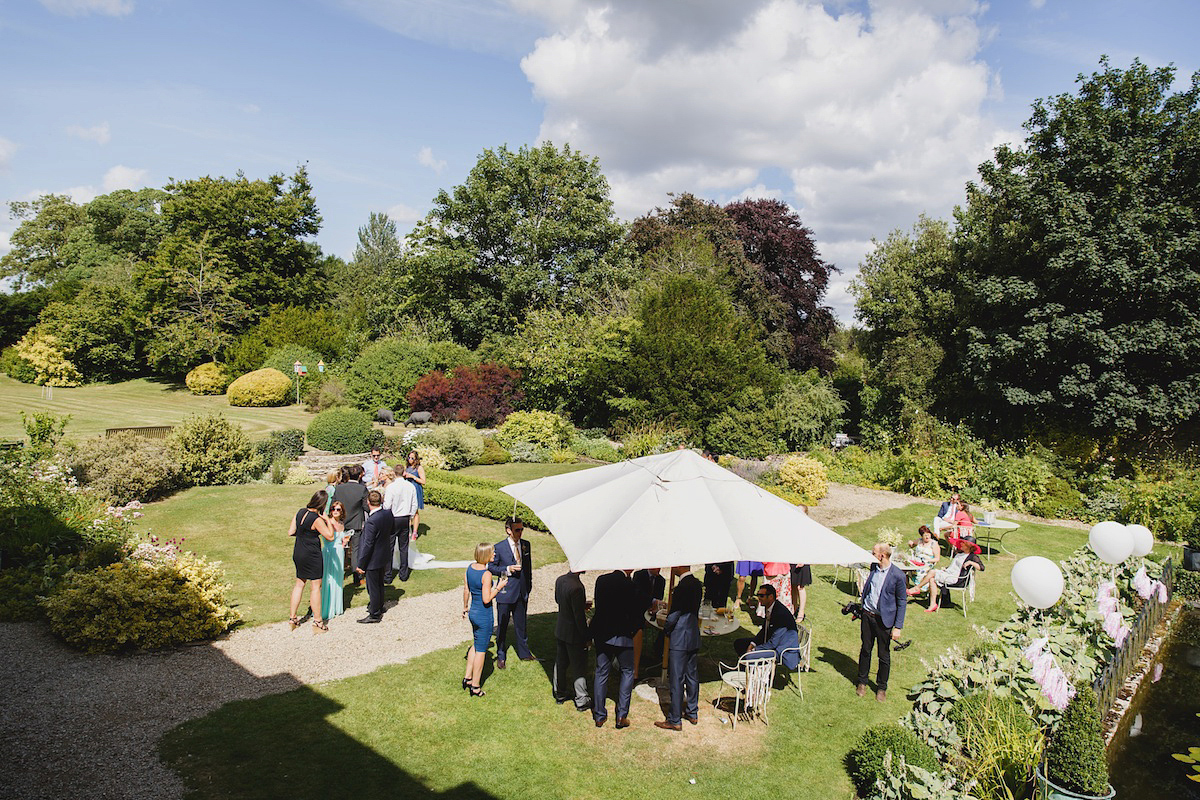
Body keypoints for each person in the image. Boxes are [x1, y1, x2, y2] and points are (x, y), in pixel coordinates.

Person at [856, 543, 907, 701]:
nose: (872, 554)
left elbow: (902, 601)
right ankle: (862, 682)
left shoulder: (897, 575)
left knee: (883, 655)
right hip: (867, 615)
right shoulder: (873, 567)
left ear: (882, 555)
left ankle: (881, 687)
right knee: (865, 649)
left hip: (884, 620)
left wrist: (897, 626)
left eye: (874, 552)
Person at [655, 565, 702, 731]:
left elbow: (674, 614)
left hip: (679, 638)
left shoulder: (681, 588)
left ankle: (675, 719)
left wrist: (666, 628)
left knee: (676, 678)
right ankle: (692, 711)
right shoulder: (697, 584)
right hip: (692, 634)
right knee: (692, 674)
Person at [590, 568, 639, 729]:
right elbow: (635, 613)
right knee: (627, 672)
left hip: (603, 633)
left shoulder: (601, 580)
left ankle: (599, 715)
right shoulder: (630, 585)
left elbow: (599, 607)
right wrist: (633, 630)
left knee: (601, 672)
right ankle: (621, 715)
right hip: (623, 635)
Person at [487, 516, 534, 668]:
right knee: (503, 625)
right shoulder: (499, 548)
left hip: (521, 591)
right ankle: (501, 654)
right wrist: (507, 569)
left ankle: (524, 652)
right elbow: (491, 567)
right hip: (506, 592)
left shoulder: (526, 545)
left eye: (521, 529)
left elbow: (528, 568)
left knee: (521, 624)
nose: (520, 532)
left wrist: (528, 586)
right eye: (517, 530)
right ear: (508, 530)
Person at [462, 542, 507, 697]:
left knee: (475, 644)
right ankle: (475, 686)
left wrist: (465, 607)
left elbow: (466, 589)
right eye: (492, 553)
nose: (494, 555)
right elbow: (487, 599)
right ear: (485, 555)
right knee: (481, 651)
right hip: (483, 615)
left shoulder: (469, 568)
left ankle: (467, 677)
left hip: (473, 613)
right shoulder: (486, 575)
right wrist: (499, 587)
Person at [288, 490, 335, 633]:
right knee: (315, 587)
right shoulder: (317, 519)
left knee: (299, 584)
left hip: (298, 551)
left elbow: (291, 532)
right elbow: (330, 536)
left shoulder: (300, 512)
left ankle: (293, 618)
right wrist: (327, 520)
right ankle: (318, 621)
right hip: (312, 554)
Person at [907, 536, 984, 612]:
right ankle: (932, 604)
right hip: (949, 574)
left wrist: (971, 562)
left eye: (963, 543)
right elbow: (954, 567)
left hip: (956, 579)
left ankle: (917, 588)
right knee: (931, 579)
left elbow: (982, 568)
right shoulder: (960, 553)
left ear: (968, 546)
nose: (961, 544)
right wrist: (946, 568)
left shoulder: (972, 557)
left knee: (932, 572)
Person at [734, 583, 799, 668]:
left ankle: (753, 674)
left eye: (761, 596)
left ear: (771, 597)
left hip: (781, 649)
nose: (759, 598)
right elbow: (764, 630)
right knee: (739, 643)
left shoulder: (780, 615)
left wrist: (754, 650)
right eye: (758, 595)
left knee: (749, 656)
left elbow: (773, 643)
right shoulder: (770, 607)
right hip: (771, 642)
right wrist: (752, 644)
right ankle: (748, 671)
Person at [553, 568, 592, 711]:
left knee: (561, 664)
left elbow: (559, 600)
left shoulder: (560, 579)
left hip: (561, 629)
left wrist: (580, 605)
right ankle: (581, 699)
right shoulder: (577, 587)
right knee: (578, 666)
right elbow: (579, 618)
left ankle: (559, 693)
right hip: (573, 635)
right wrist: (586, 636)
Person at [354, 490, 391, 623]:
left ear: (368, 502)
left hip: (373, 558)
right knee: (379, 583)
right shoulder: (387, 513)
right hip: (383, 554)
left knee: (373, 586)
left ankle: (375, 614)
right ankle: (379, 606)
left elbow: (367, 544)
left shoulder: (372, 521)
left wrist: (361, 564)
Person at [333, 465, 369, 586]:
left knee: (340, 548)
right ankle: (357, 577)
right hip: (356, 523)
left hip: (341, 522)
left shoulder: (339, 488)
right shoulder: (362, 489)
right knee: (355, 550)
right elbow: (366, 507)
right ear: (360, 475)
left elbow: (333, 505)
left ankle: (339, 574)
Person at [382, 467, 417, 584]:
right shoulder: (410, 486)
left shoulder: (391, 487)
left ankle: (387, 576)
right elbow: (414, 504)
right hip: (405, 518)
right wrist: (410, 516)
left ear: (394, 473)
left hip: (393, 518)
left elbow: (387, 505)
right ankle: (404, 574)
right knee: (403, 547)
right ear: (404, 473)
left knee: (389, 547)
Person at [631, 566, 665, 677]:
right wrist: (652, 601)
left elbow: (659, 597)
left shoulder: (661, 580)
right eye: (656, 567)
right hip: (637, 611)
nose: (659, 570)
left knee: (666, 626)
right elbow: (637, 594)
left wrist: (655, 607)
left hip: (652, 611)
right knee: (637, 626)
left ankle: (658, 650)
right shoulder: (639, 575)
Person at [320, 501, 349, 620]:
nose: (335, 511)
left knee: (337, 579)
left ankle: (337, 607)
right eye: (333, 509)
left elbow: (341, 539)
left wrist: (345, 542)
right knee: (328, 579)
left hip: (339, 552)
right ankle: (326, 608)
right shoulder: (328, 523)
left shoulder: (341, 523)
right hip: (329, 552)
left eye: (338, 509)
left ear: (342, 511)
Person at [402, 450, 426, 536]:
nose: (410, 459)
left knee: (415, 511)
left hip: (415, 489)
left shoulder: (419, 468)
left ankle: (415, 532)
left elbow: (423, 481)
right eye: (409, 457)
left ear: (416, 459)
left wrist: (413, 477)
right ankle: (407, 530)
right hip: (407, 490)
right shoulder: (407, 467)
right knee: (407, 510)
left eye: (412, 458)